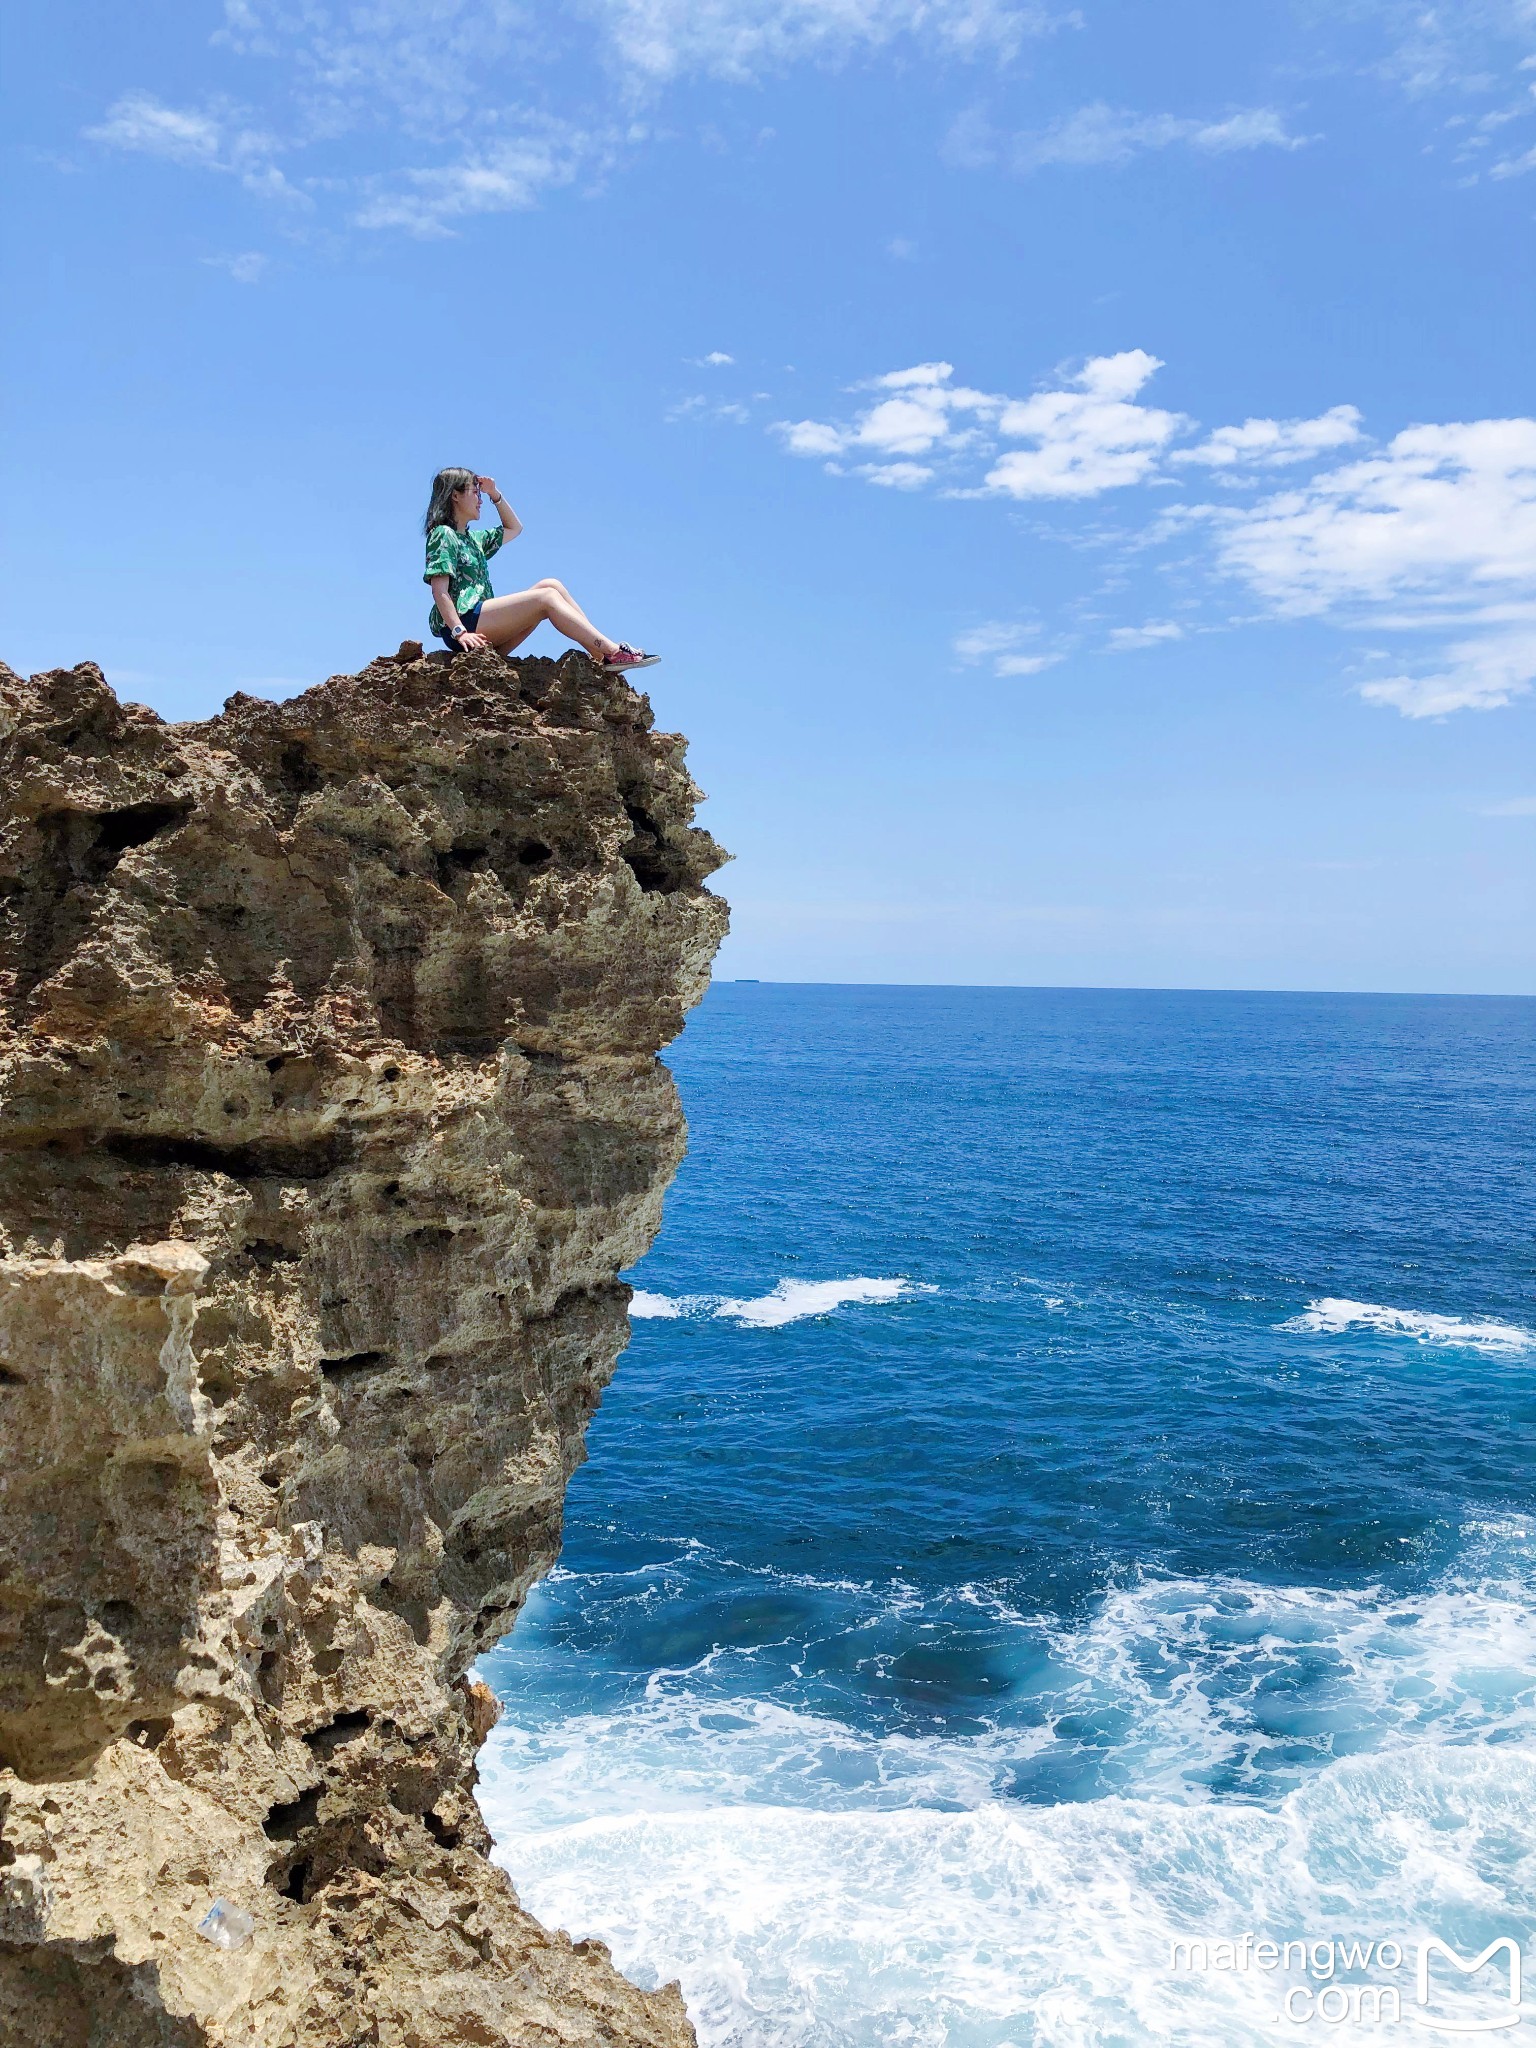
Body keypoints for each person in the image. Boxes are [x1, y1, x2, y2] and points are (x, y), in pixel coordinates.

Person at [422, 468, 658, 670]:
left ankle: (601, 656)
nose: (480, 500)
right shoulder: (444, 534)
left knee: (551, 584)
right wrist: (459, 632)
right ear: (455, 495)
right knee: (545, 598)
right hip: (465, 625)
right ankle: (611, 651)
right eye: (475, 493)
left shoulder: (474, 539)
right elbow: (439, 590)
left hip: (483, 628)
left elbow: (514, 528)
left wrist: (495, 494)